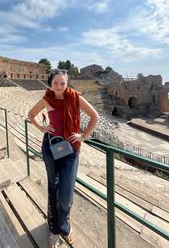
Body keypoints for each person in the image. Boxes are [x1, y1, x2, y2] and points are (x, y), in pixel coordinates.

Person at [28, 69, 99, 247]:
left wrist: (83, 137)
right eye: (55, 83)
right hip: (51, 148)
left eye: (62, 83)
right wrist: (42, 128)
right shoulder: (46, 99)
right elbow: (30, 114)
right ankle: (55, 229)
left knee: (66, 195)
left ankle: (64, 225)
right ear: (50, 84)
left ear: (67, 84)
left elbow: (94, 117)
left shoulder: (75, 98)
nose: (59, 86)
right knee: (53, 187)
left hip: (70, 150)